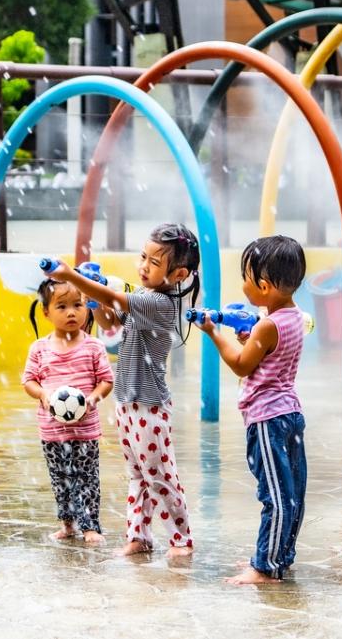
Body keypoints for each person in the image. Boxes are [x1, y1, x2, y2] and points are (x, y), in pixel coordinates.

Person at [44, 222, 201, 558]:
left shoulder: (162, 303)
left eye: (154, 262)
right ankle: (138, 536)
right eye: (142, 257)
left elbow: (115, 298)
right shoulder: (145, 296)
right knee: (137, 475)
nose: (143, 265)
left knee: (160, 476)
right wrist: (92, 298)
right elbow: (110, 323)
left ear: (177, 274)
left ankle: (181, 540)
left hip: (149, 403)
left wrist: (72, 277)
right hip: (128, 401)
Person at [195, 235, 308, 585]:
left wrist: (213, 332)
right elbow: (270, 355)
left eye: (246, 278)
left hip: (266, 419)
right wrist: (251, 338)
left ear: (263, 285)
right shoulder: (295, 317)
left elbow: (242, 366)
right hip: (290, 413)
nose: (243, 286)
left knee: (274, 495)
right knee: (291, 494)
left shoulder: (267, 325)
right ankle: (281, 555)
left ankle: (264, 566)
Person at [23, 278, 114, 543]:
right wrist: (42, 394)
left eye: (78, 304)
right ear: (46, 312)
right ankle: (68, 524)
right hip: (51, 431)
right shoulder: (39, 349)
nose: (72, 312)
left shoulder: (94, 346)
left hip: (85, 430)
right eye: (62, 306)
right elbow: (29, 381)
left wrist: (92, 400)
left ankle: (90, 526)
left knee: (87, 478)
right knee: (60, 479)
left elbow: (106, 381)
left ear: (87, 307)